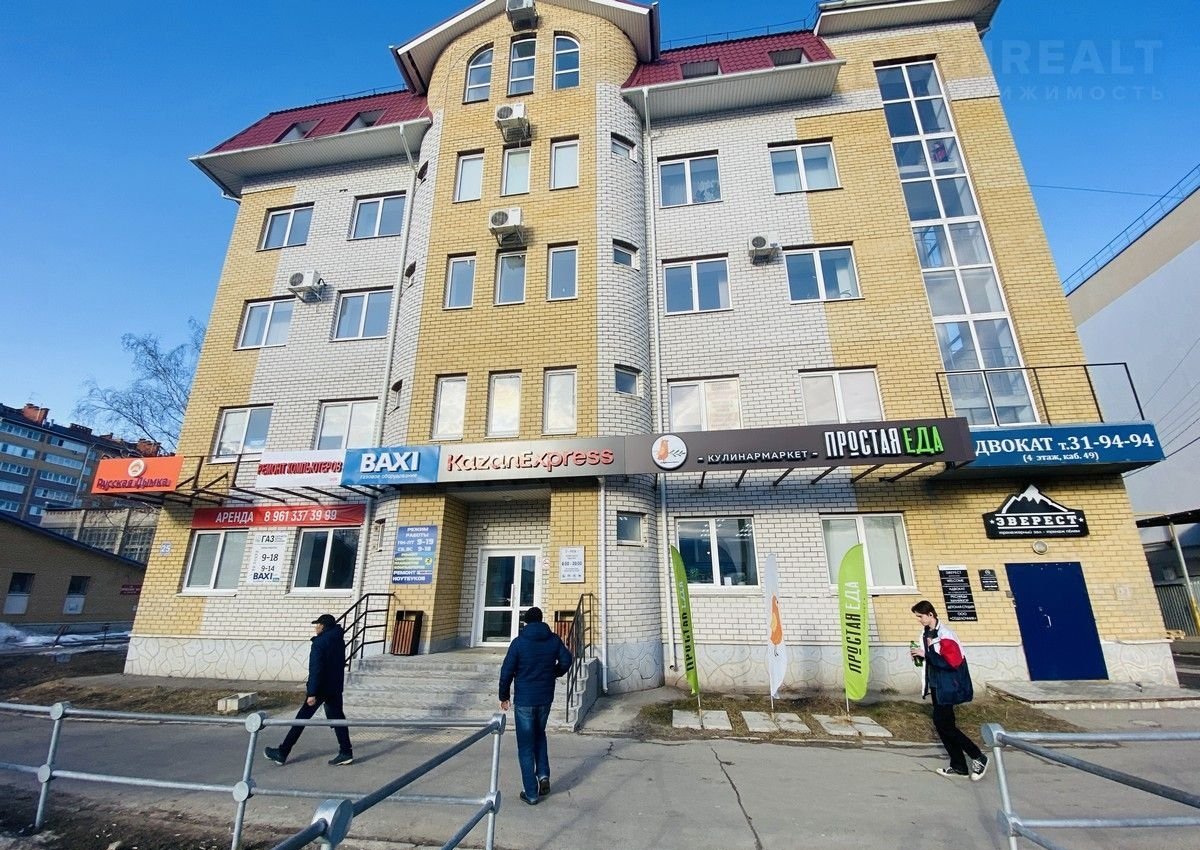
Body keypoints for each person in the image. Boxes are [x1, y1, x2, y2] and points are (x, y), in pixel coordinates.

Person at [498, 607, 572, 805]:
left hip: (525, 700)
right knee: (540, 735)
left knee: (525, 746)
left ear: (526, 622)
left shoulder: (519, 643)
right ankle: (543, 775)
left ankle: (531, 793)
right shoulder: (553, 639)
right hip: (544, 698)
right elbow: (567, 659)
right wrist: (554, 672)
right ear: (541, 620)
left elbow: (507, 671)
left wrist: (504, 696)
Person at [909, 600, 988, 781]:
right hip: (936, 684)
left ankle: (977, 756)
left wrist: (926, 654)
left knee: (943, 724)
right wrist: (919, 656)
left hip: (948, 684)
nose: (919, 620)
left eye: (920, 616)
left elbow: (952, 662)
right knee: (944, 725)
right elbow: (931, 658)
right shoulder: (926, 633)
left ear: (930, 614)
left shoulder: (945, 634)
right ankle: (959, 766)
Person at [265, 613, 354, 766]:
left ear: (323, 626)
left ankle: (282, 752)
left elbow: (316, 668)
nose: (315, 628)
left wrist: (312, 693)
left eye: (317, 625)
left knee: (301, 719)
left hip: (320, 689)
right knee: (338, 718)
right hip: (334, 687)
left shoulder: (320, 643)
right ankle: (346, 751)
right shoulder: (338, 640)